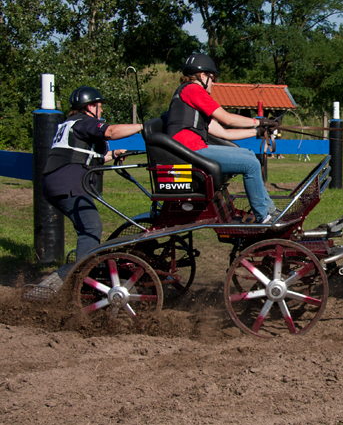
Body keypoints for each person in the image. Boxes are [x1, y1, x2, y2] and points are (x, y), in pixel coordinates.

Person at [39, 85, 143, 285]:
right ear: (89, 107)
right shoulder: (83, 122)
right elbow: (111, 132)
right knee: (90, 227)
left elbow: (82, 157)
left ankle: (84, 272)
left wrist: (114, 154)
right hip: (67, 183)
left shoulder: (70, 124)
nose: (101, 110)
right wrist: (142, 126)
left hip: (58, 182)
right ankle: (81, 281)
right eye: (99, 106)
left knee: (88, 227)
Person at [166, 53, 279, 224]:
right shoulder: (193, 89)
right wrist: (258, 121)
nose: (213, 82)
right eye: (212, 78)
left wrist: (258, 131)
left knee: (249, 155)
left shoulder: (188, 98)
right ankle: (265, 216)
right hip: (190, 151)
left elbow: (224, 132)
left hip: (191, 149)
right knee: (250, 164)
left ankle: (269, 210)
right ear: (202, 76)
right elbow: (227, 119)